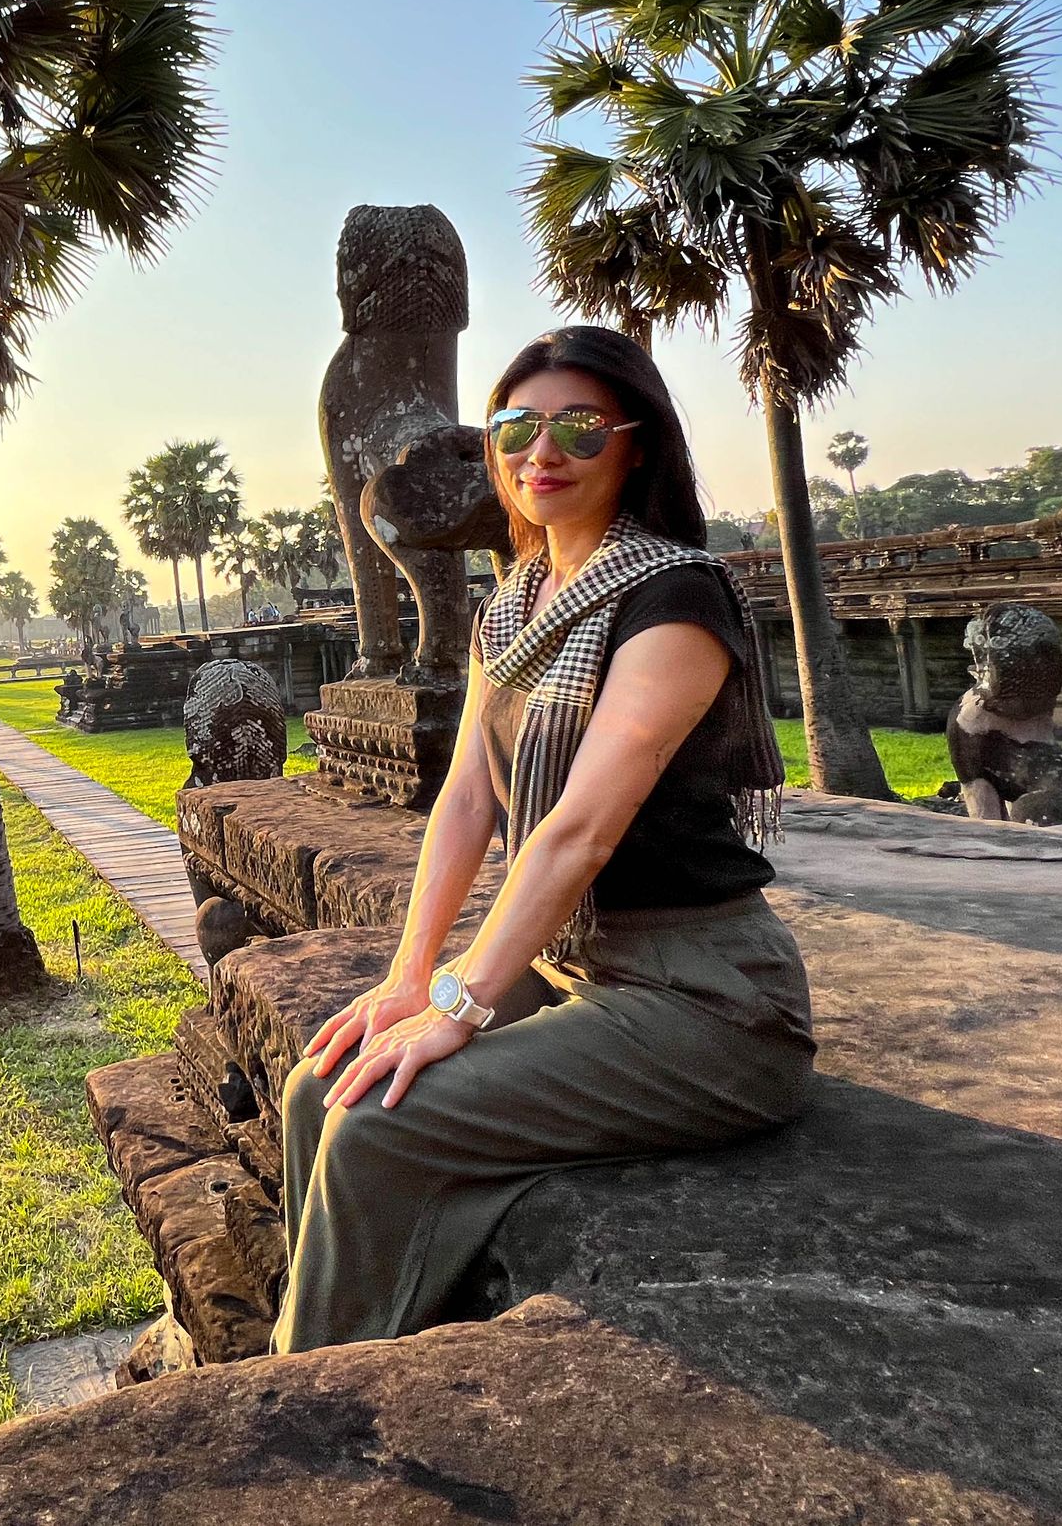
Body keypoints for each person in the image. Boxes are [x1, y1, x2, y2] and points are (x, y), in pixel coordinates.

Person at [270, 324, 815, 1353]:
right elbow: (467, 800)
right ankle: (306, 1355)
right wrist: (408, 977)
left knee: (379, 1120)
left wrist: (460, 1005)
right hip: (577, 970)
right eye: (516, 427)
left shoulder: (674, 598)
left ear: (636, 443)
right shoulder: (512, 606)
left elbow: (576, 831)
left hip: (706, 999)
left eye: (577, 427)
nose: (540, 454)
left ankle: (313, 1406)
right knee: (318, 1086)